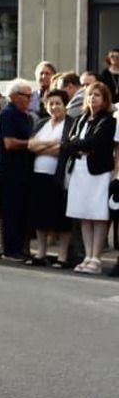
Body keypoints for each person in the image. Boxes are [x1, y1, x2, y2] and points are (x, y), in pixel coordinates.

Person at [61, 81, 116, 275]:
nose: (93, 99)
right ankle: (87, 256)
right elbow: (68, 142)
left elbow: (96, 141)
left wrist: (80, 145)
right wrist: (81, 146)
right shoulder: (82, 118)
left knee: (97, 215)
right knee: (84, 214)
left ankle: (96, 257)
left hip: (98, 172)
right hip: (79, 169)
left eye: (98, 95)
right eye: (91, 95)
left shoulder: (108, 120)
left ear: (105, 99)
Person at [26, 89, 74, 267]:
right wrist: (51, 144)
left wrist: (43, 147)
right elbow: (30, 145)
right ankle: (41, 253)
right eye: (51, 104)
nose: (54, 107)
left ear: (65, 105)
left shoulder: (71, 124)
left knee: (61, 217)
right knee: (40, 215)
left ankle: (62, 256)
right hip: (39, 175)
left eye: (58, 104)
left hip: (59, 177)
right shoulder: (42, 123)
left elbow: (66, 147)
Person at [0, 80, 35, 262]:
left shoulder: (26, 116)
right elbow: (9, 142)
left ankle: (19, 248)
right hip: (9, 171)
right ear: (13, 96)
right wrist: (32, 144)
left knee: (20, 210)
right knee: (10, 211)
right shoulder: (9, 114)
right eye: (25, 95)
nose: (29, 99)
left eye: (30, 95)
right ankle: (10, 250)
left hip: (24, 171)